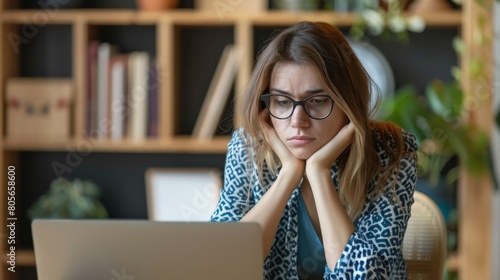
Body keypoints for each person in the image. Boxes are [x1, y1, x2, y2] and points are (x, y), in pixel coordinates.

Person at [210, 21, 418, 279]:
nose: (298, 120)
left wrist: (319, 174)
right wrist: (288, 175)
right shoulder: (248, 148)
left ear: (348, 103)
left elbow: (366, 277)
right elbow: (222, 265)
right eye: (282, 102)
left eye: (318, 101)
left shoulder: (392, 152)